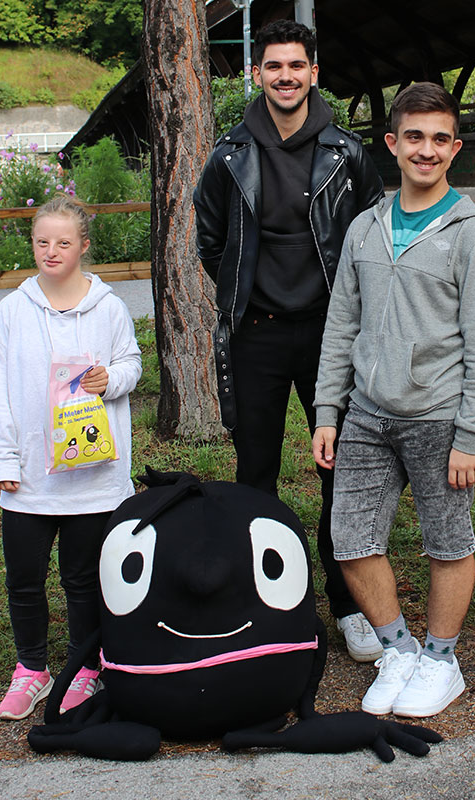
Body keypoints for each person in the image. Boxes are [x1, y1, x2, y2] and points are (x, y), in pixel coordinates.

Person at [312, 82, 475, 717]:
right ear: (393, 144)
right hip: (367, 414)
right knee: (351, 540)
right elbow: (342, 323)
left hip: (438, 416)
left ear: (454, 148)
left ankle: (441, 661)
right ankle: (399, 650)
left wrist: (472, 434)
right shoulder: (366, 227)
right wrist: (327, 411)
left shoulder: (471, 234)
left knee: (447, 542)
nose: (427, 151)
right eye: (414, 138)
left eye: (440, 140)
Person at [193, 20, 385, 662]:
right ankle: (266, 606)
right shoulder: (227, 155)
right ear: (257, 74)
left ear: (313, 73)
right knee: (256, 476)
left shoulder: (347, 153)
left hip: (333, 339)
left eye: (296, 66)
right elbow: (211, 244)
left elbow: (371, 237)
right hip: (258, 338)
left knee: (343, 475)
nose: (285, 76)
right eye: (273, 66)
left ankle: (349, 606)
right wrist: (250, 295)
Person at [0, 194, 142, 720]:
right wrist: (5, 461)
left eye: (63, 242)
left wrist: (111, 379)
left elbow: (131, 364)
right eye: (42, 241)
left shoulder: (110, 308)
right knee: (23, 580)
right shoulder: (12, 311)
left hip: (93, 476)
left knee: (82, 580)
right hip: (30, 477)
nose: (51, 251)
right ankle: (31, 670)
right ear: (32, 244)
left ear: (84, 247)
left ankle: (84, 670)